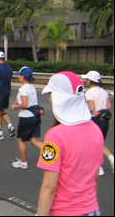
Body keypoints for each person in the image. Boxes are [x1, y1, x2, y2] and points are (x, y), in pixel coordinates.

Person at [36, 71, 104, 216]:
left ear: (58, 98)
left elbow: (49, 187)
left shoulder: (55, 136)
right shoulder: (95, 130)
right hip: (92, 209)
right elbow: (95, 178)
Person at [10, 67, 43, 169]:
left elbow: (24, 104)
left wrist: (15, 107)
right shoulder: (32, 87)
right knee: (34, 140)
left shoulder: (23, 89)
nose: (19, 77)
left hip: (26, 117)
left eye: (19, 75)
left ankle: (23, 162)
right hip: (35, 116)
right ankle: (52, 153)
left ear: (23, 77)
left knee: (21, 139)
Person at [82, 70, 114, 175]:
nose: (85, 81)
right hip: (105, 121)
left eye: (86, 79)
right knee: (100, 143)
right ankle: (111, 158)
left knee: (91, 144)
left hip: (95, 121)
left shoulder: (89, 93)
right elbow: (109, 107)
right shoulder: (103, 91)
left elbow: (91, 108)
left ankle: (98, 167)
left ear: (90, 81)